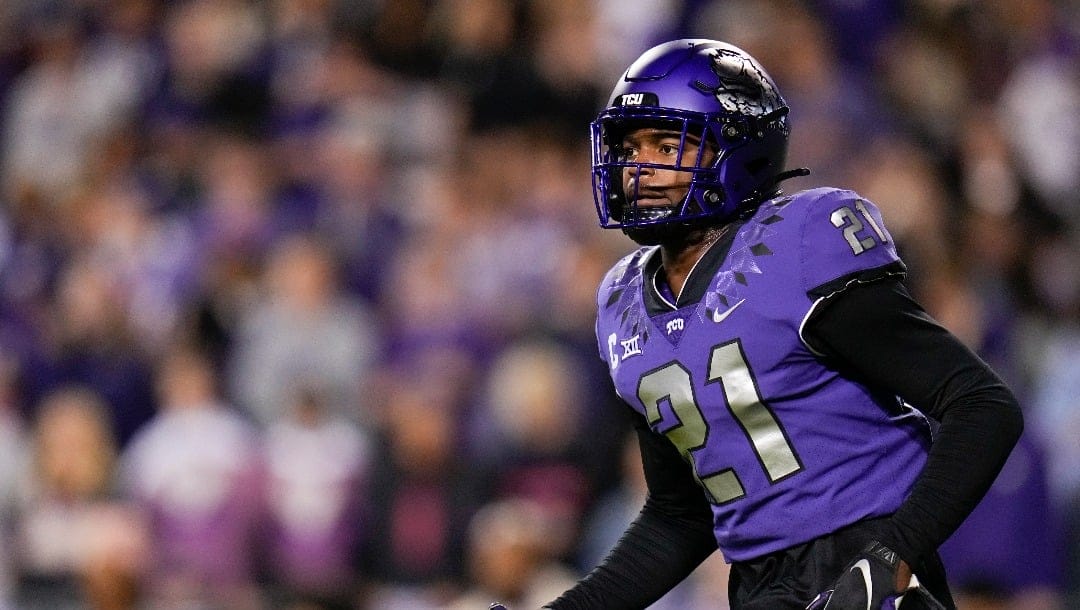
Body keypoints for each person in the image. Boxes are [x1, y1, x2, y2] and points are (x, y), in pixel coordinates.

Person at [537, 39, 1023, 610]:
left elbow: (982, 405)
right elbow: (680, 516)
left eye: (666, 144)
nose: (639, 169)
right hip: (757, 586)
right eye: (631, 146)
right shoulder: (623, 303)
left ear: (736, 148)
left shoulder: (798, 244)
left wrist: (893, 555)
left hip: (863, 567)